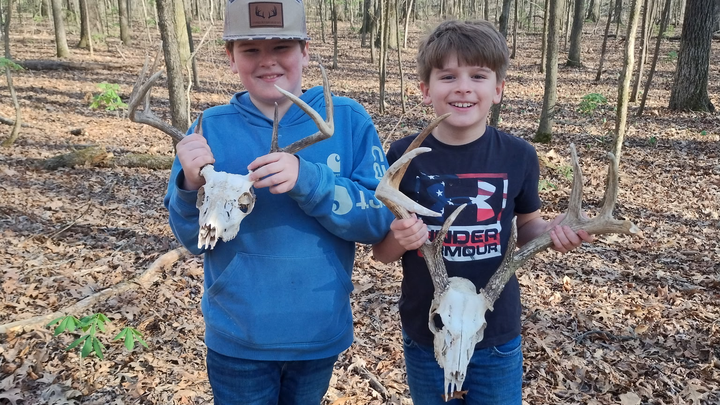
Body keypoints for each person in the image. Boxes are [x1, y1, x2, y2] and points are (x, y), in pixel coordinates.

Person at [163, 1, 393, 403]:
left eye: (281, 47)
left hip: (318, 331)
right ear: (231, 57)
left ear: (305, 51)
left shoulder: (346, 120)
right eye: (251, 49)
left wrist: (310, 180)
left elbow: (378, 220)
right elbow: (191, 238)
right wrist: (189, 184)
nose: (267, 61)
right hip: (238, 336)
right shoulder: (209, 127)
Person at [372, 19, 594, 405]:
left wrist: (552, 232)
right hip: (429, 332)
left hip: (494, 334)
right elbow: (382, 253)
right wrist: (400, 238)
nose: (463, 87)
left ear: (498, 89)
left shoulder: (518, 155)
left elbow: (527, 225)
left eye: (478, 75)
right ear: (425, 90)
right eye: (448, 76)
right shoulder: (403, 157)